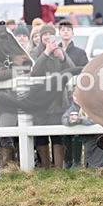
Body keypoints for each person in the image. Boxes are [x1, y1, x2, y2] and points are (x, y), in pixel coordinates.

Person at [30, 23, 74, 168]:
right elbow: (34, 72)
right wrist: (46, 53)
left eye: (50, 34)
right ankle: (46, 167)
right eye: (45, 35)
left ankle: (59, 167)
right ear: (41, 37)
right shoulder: (35, 52)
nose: (47, 37)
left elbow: (72, 70)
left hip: (58, 101)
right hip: (41, 101)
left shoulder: (60, 50)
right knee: (41, 137)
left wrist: (62, 58)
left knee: (58, 136)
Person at [57, 20, 88, 168]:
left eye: (68, 29)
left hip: (75, 94)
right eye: (62, 30)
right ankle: (66, 160)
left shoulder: (80, 53)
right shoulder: (54, 52)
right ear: (59, 33)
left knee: (76, 126)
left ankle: (76, 161)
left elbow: (85, 72)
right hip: (60, 95)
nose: (65, 32)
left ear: (72, 33)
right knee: (64, 130)